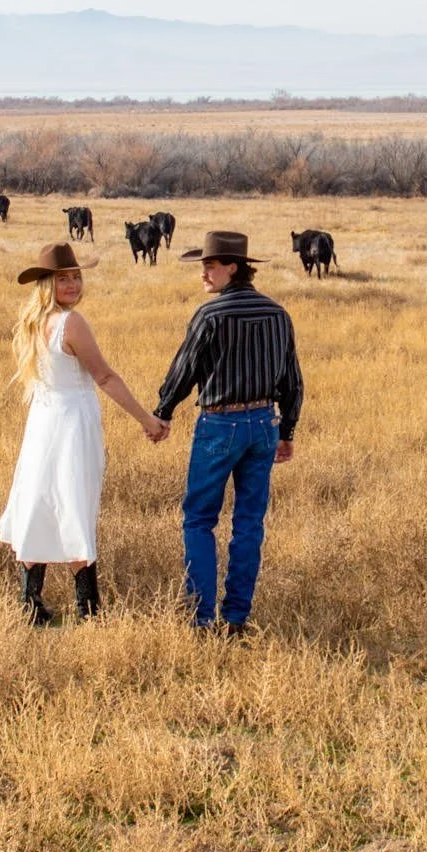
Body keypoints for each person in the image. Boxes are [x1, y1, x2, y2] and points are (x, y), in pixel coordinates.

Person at [0, 241, 168, 625]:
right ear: (46, 284)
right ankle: (89, 611)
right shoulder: (71, 323)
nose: (73, 284)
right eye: (63, 278)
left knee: (39, 502)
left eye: (76, 276)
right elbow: (104, 376)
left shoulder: (32, 323)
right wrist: (146, 419)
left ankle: (31, 605)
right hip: (72, 423)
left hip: (42, 422)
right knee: (76, 504)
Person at [152, 230, 303, 636]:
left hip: (220, 424)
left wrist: (163, 411)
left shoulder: (210, 315)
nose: (204, 272)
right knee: (249, 523)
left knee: (199, 520)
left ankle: (201, 619)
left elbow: (184, 371)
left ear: (232, 268)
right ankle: (236, 618)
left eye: (210, 265)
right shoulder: (277, 313)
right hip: (263, 426)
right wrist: (286, 429)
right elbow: (292, 378)